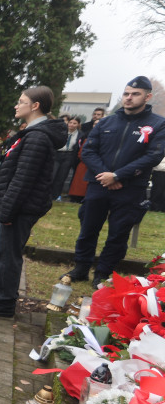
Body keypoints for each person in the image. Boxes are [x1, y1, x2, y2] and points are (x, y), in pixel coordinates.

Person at [62, 76, 165, 287]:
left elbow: (153, 156)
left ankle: (103, 273)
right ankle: (81, 268)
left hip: (130, 188)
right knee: (88, 228)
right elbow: (88, 151)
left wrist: (118, 176)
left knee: (118, 234)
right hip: (99, 184)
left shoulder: (158, 124)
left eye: (135, 94)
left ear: (147, 97)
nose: (129, 97)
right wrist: (106, 175)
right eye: (126, 93)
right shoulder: (106, 122)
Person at [0, 86, 67, 317]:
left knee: (8, 255)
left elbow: (23, 179)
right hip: (22, 206)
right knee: (7, 254)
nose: (16, 106)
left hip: (21, 208)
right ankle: (3, 299)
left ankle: (4, 303)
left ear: (35, 106)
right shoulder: (33, 133)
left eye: (21, 101)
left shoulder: (37, 137)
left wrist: (8, 212)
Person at [50, 116, 82, 201]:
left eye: (74, 123)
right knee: (52, 174)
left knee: (61, 177)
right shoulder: (61, 131)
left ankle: (56, 196)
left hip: (69, 155)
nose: (72, 125)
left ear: (78, 124)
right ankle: (46, 193)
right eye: (70, 122)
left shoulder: (80, 135)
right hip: (58, 154)